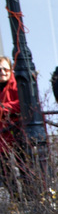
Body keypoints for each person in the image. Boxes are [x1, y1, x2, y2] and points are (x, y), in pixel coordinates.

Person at [0, 56, 22, 189]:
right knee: (5, 172)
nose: (2, 72)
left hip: (17, 132)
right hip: (2, 136)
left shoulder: (18, 83)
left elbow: (22, 104)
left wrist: (3, 108)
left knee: (24, 168)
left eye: (5, 69)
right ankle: (15, 197)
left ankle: (29, 196)